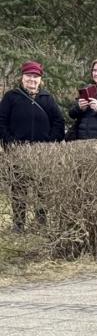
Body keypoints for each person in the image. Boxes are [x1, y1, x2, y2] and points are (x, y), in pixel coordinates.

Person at [0, 61, 65, 231]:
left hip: (41, 153)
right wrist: (10, 142)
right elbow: (1, 122)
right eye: (29, 75)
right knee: (19, 189)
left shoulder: (47, 99)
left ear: (40, 79)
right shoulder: (11, 97)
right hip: (17, 151)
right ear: (22, 77)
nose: (32, 79)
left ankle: (41, 222)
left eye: (36, 76)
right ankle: (19, 224)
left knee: (42, 189)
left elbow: (58, 121)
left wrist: (50, 143)